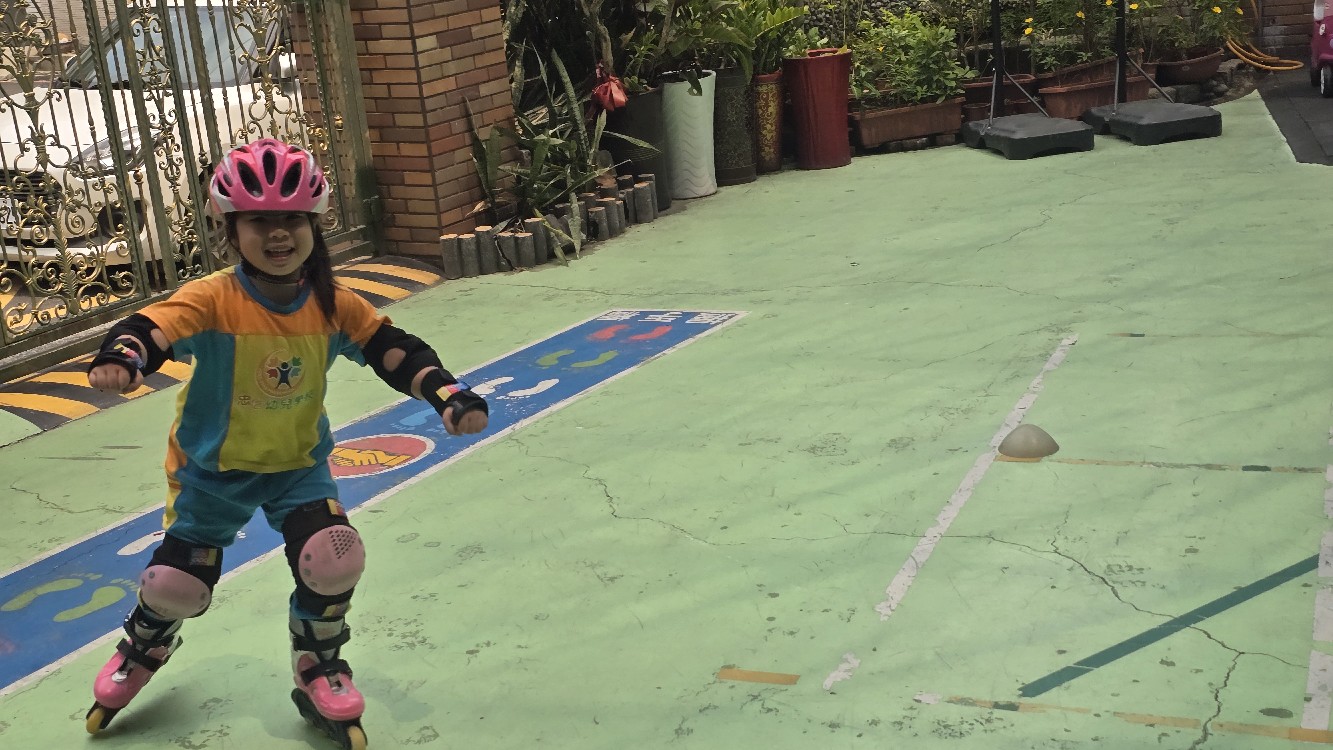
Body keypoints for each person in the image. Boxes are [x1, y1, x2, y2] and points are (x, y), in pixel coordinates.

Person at [82, 138, 488, 748]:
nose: (278, 234)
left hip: (298, 466)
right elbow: (152, 327)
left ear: (314, 226)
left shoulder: (331, 304)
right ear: (231, 230)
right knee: (176, 586)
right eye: (259, 221)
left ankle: (318, 664)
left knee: (335, 557)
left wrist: (448, 394)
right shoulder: (213, 299)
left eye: (293, 219)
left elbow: (394, 350)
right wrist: (123, 355)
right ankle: (145, 642)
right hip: (213, 471)